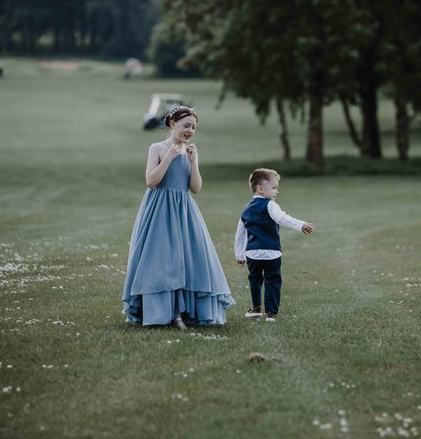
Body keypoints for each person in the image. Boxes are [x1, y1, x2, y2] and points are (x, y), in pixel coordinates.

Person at [122, 106, 235, 328]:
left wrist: (193, 162)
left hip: (184, 210)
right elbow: (151, 181)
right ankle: (162, 313)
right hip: (159, 210)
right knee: (161, 259)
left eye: (193, 127)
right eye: (186, 125)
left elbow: (196, 188)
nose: (190, 130)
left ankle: (186, 312)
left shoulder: (191, 151)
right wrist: (169, 157)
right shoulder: (157, 148)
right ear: (172, 123)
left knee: (189, 259)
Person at [234, 168, 314, 322]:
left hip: (253, 253)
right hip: (272, 252)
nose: (277, 191)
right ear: (260, 189)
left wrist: (239, 254)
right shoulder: (270, 205)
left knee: (255, 279)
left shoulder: (246, 209)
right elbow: (282, 218)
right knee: (273, 280)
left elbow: (240, 233)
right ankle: (271, 313)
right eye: (274, 187)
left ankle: (256, 308)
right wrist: (300, 225)